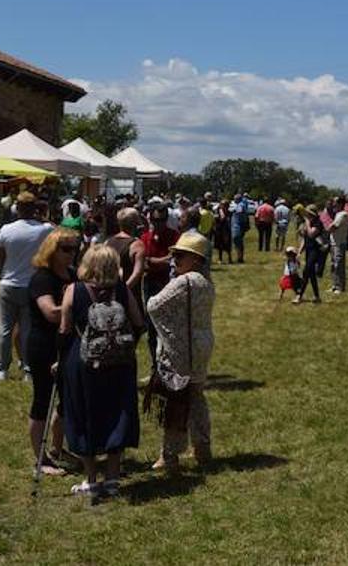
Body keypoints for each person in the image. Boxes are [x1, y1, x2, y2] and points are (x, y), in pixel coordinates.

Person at [58, 244, 144, 500]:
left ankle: (91, 478)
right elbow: (139, 323)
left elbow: (64, 329)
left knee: (83, 414)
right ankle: (113, 478)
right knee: (117, 413)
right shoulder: (122, 289)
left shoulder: (74, 290)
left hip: (83, 363)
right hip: (119, 364)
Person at [148, 233, 215, 472]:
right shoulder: (206, 282)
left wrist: (169, 330)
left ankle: (170, 455)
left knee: (176, 402)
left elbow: (153, 305)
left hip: (181, 349)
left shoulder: (183, 282)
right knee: (196, 397)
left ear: (195, 259)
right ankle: (202, 448)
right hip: (201, 344)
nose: (174, 260)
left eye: (180, 256)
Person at [26, 227, 78, 476]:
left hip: (68, 345)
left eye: (74, 249)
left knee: (68, 398)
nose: (71, 253)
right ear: (52, 250)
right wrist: (73, 301)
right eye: (65, 249)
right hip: (43, 346)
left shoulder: (73, 274)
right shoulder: (42, 278)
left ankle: (58, 448)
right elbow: (50, 313)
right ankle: (41, 458)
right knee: (43, 400)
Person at [0, 192, 53, 381]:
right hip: (31, 285)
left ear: (16, 208)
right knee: (28, 329)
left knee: (4, 329)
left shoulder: (6, 230)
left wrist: (0, 276)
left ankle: (2, 368)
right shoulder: (44, 229)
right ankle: (28, 369)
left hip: (8, 283)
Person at [134, 203, 179, 367]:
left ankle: (170, 365)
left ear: (166, 220)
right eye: (154, 220)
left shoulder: (175, 237)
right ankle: (155, 366)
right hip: (150, 284)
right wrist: (160, 261)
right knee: (152, 327)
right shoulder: (145, 237)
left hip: (168, 284)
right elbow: (143, 263)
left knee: (169, 327)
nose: (157, 224)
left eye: (161, 220)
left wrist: (153, 261)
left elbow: (173, 260)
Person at [294, 210, 327, 304]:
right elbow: (305, 239)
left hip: (316, 251)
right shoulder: (310, 223)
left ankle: (299, 296)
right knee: (311, 275)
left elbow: (311, 234)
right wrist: (299, 251)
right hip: (309, 250)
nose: (306, 216)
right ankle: (317, 297)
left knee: (306, 272)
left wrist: (307, 224)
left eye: (307, 214)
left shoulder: (317, 223)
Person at [327, 196, 348, 294]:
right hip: (333, 243)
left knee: (339, 265)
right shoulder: (337, 214)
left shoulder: (343, 214)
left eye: (335, 202)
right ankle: (334, 285)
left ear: (340, 203)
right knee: (333, 265)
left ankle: (340, 287)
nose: (333, 204)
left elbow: (333, 227)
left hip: (339, 243)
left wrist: (328, 227)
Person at [229, 195, 249, 263]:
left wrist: (232, 210)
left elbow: (239, 211)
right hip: (236, 226)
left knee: (237, 240)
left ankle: (240, 257)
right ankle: (239, 257)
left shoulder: (241, 205)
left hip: (238, 226)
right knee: (237, 242)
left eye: (234, 199)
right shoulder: (238, 204)